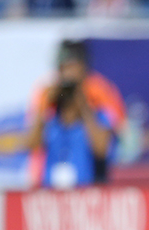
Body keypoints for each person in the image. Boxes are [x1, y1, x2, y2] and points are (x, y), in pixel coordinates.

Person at [26, 40, 126, 186]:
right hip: (50, 189)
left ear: (83, 67)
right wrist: (46, 105)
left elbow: (104, 146)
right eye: (63, 67)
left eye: (72, 66)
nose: (67, 74)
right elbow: (32, 144)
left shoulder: (98, 90)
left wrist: (82, 103)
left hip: (89, 188)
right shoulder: (48, 94)